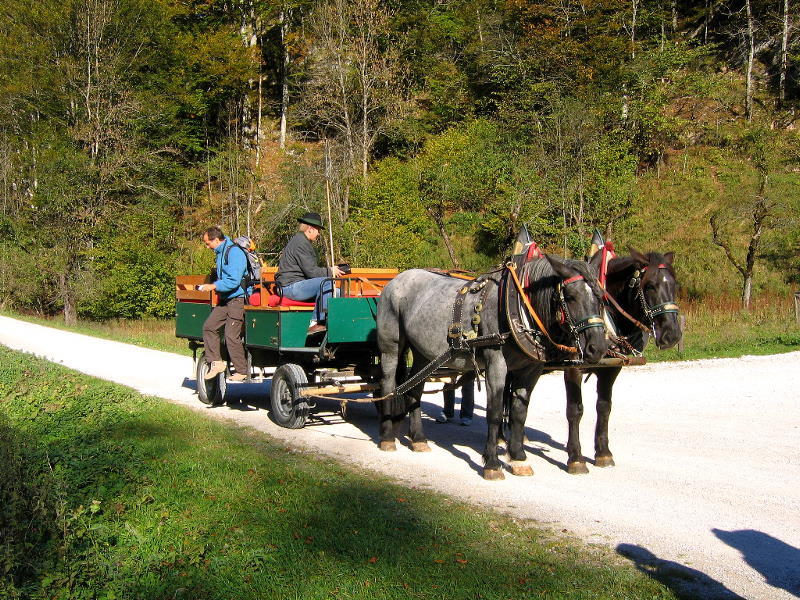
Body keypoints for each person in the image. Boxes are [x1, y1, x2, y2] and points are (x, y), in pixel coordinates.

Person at [276, 212, 344, 334]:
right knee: (327, 283)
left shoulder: (301, 241)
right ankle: (315, 322)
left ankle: (334, 324)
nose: (318, 234)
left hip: (297, 284)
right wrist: (330, 271)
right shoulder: (300, 243)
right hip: (290, 287)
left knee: (337, 292)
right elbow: (312, 272)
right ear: (311, 229)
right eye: (318, 230)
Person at [197, 226, 249, 382]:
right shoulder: (220, 252)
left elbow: (234, 280)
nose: (207, 247)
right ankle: (216, 363)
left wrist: (213, 286)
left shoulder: (234, 253)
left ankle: (241, 370)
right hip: (225, 299)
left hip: (237, 299)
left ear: (216, 240)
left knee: (231, 335)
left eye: (208, 243)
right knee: (209, 326)